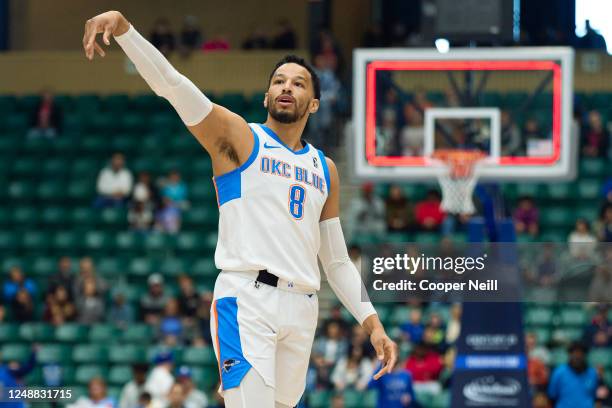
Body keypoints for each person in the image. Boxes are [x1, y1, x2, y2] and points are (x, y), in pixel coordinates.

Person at [83, 12, 397, 408]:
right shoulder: (241, 138)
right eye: (279, 81)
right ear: (266, 97)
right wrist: (126, 31)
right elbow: (173, 86)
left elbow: (335, 262)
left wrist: (372, 323)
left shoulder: (325, 169)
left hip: (303, 307)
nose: (287, 87)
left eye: (299, 83)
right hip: (247, 298)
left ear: (314, 103)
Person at [548, 341, 597, 408]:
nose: (577, 356)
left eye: (580, 353)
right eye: (575, 353)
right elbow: (552, 395)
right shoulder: (559, 372)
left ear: (585, 355)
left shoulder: (592, 373)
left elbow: (595, 395)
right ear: (570, 354)